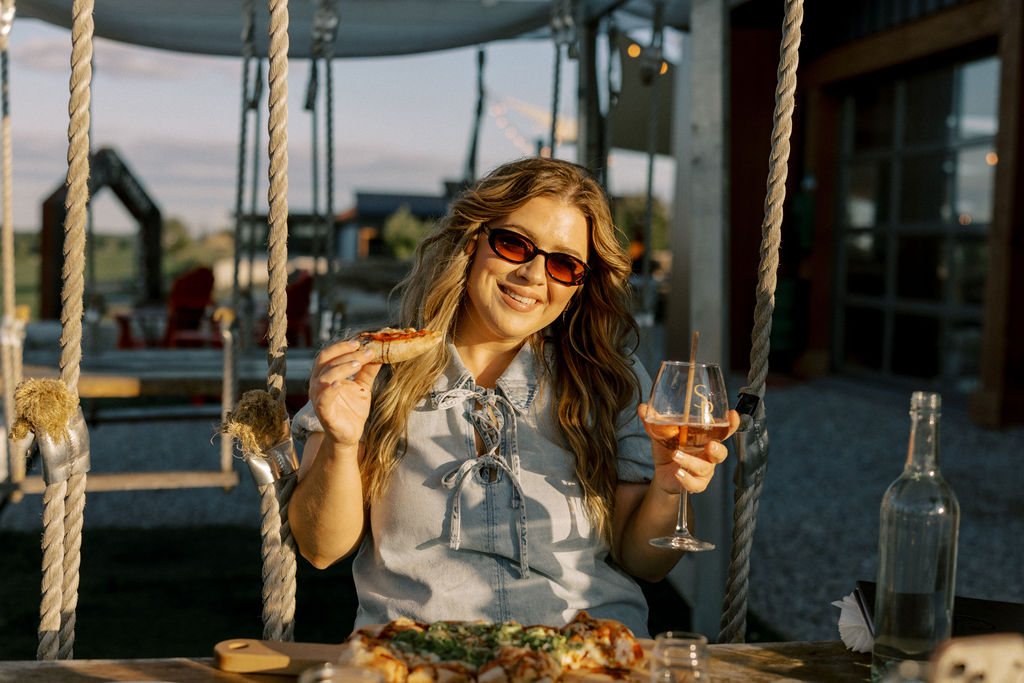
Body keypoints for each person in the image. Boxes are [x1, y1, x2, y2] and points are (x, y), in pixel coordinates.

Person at [289, 157, 739, 638]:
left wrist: (668, 489)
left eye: (564, 264)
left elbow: (644, 562)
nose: (533, 274)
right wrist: (340, 443)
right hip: (423, 657)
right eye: (514, 244)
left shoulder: (612, 381)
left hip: (585, 655)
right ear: (471, 241)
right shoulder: (375, 368)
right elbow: (320, 549)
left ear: (580, 286)